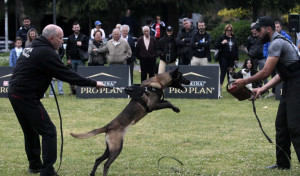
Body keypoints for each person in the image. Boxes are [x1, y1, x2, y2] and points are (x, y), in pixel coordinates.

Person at [8, 24, 104, 176]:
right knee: (49, 131)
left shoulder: (33, 45)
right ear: (51, 38)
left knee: (30, 130)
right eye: (60, 38)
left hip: (15, 92)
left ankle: (34, 165)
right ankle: (47, 171)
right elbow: (66, 74)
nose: (62, 42)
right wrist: (94, 83)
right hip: (25, 95)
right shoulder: (45, 52)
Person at [235, 16, 300, 170]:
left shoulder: (277, 43)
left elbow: (265, 72)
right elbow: (282, 74)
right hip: (291, 83)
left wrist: (245, 81)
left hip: (297, 85)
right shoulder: (279, 42)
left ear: (268, 29)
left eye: (258, 30)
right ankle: (283, 164)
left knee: (295, 127)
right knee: (281, 125)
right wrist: (262, 89)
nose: (256, 33)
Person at [66, 22, 89, 94]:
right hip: (72, 60)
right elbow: (67, 49)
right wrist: (68, 59)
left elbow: (87, 47)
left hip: (81, 59)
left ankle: (82, 90)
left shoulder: (84, 37)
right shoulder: (70, 38)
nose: (76, 29)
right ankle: (73, 91)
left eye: (77, 27)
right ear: (72, 28)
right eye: (75, 27)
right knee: (73, 76)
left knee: (82, 75)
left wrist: (81, 45)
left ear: (79, 28)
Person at [214, 24, 239, 88]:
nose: (229, 31)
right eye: (227, 30)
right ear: (225, 30)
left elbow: (236, 49)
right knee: (223, 71)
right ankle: (220, 86)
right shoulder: (222, 37)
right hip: (223, 57)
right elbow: (216, 45)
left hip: (231, 58)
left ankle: (230, 86)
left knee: (230, 72)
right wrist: (222, 43)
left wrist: (236, 58)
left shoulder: (234, 38)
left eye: (230, 30)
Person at [247, 23, 268, 87]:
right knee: (253, 73)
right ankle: (254, 86)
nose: (254, 30)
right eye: (252, 28)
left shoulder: (261, 37)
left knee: (264, 73)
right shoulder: (249, 38)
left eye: (255, 28)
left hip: (261, 58)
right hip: (252, 58)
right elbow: (248, 47)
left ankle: (266, 87)